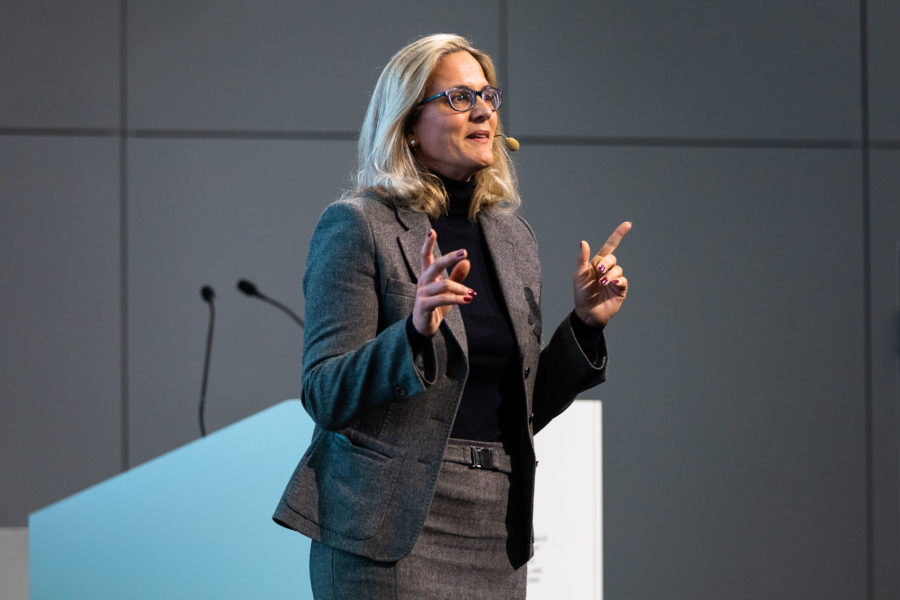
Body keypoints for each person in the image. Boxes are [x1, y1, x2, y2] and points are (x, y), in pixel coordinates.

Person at [273, 33, 631, 599]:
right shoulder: (358, 226)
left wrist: (585, 325)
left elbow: (521, 409)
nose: (483, 110)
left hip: (495, 527)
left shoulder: (513, 238)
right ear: (409, 126)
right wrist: (413, 333)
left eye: (488, 96)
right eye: (460, 98)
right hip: (388, 528)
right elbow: (324, 394)